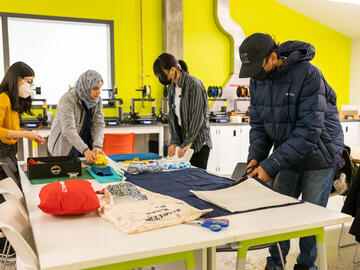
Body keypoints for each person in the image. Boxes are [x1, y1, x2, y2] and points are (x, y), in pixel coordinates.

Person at [239, 33, 343, 270]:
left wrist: (271, 165)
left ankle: (306, 265)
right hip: (288, 150)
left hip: (320, 152)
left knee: (311, 217)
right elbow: (259, 125)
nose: (255, 75)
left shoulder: (308, 74)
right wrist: (256, 157)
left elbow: (309, 131)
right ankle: (274, 264)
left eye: (258, 67)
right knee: (278, 212)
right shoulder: (258, 80)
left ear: (273, 57)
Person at [153, 53, 212, 169]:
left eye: (162, 75)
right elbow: (172, 117)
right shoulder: (172, 88)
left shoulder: (194, 85)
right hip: (184, 143)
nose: (161, 79)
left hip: (198, 144)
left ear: (173, 70)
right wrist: (174, 141)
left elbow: (197, 117)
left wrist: (188, 142)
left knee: (197, 181)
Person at [0, 61, 45, 184]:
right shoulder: (3, 97)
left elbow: (10, 128)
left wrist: (30, 135)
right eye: (29, 82)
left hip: (10, 150)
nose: (31, 86)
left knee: (16, 184)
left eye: (32, 82)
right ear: (17, 79)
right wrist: (25, 134)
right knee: (12, 188)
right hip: (2, 152)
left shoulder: (12, 99)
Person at [47, 70, 105, 164]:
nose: (99, 92)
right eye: (95, 88)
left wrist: (97, 146)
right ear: (86, 86)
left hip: (85, 149)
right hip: (63, 150)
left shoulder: (97, 100)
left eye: (100, 88)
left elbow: (98, 124)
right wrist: (85, 150)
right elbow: (68, 129)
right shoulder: (68, 99)